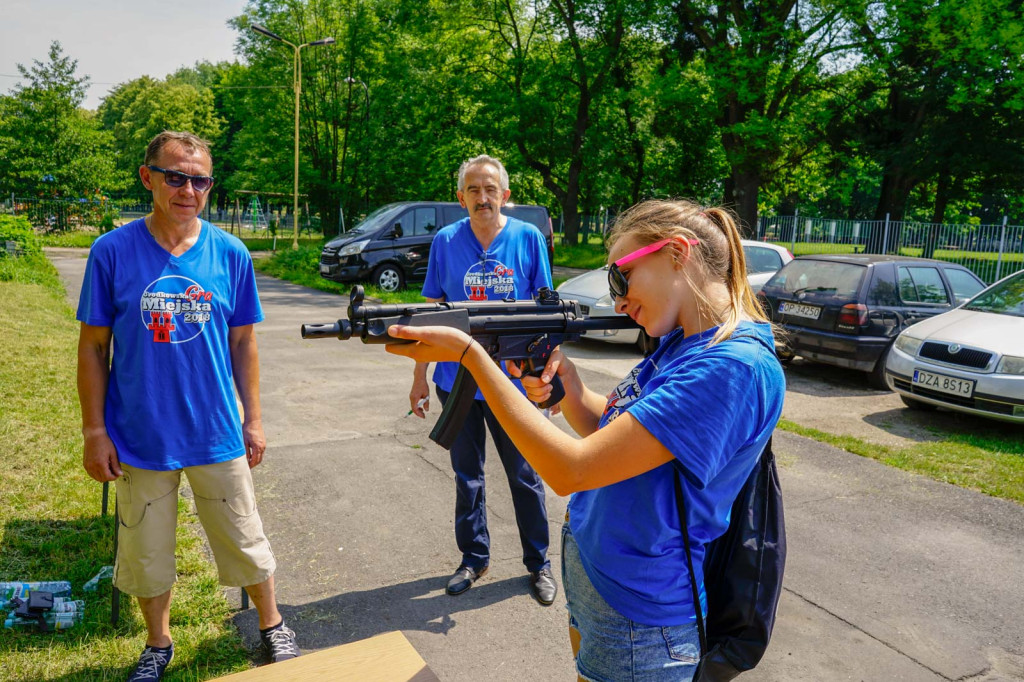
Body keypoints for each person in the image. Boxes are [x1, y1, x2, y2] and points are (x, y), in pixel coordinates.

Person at [389, 199, 784, 681]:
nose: (618, 302)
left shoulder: (730, 366)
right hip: (608, 590)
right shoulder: (684, 344)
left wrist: (474, 358)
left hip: (640, 618)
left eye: (621, 278)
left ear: (678, 253)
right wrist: (569, 384)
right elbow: (612, 432)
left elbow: (571, 469)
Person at [77, 131, 299, 682]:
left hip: (215, 430)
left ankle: (272, 625)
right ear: (147, 177)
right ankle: (158, 643)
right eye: (175, 177)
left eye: (200, 180)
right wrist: (94, 432)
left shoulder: (231, 253)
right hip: (140, 434)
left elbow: (244, 342)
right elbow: (93, 347)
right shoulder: (112, 252)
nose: (188, 190)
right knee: (146, 550)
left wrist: (254, 419)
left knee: (244, 537)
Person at [408, 154, 558, 605]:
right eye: (473, 189)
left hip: (512, 380)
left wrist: (547, 378)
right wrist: (419, 377)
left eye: (490, 189)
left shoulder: (528, 238)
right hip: (455, 379)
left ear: (505, 195)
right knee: (467, 476)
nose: (482, 197)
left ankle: (539, 563)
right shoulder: (446, 241)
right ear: (461, 198)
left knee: (524, 474)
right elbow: (430, 314)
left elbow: (547, 313)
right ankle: (474, 558)